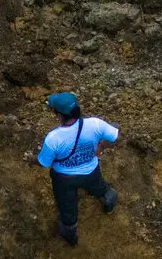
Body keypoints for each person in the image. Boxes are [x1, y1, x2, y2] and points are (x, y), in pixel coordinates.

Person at [35, 92, 119, 247]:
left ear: (59, 115)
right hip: (91, 172)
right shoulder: (95, 124)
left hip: (64, 180)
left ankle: (70, 236)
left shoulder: (53, 138)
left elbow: (44, 163)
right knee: (100, 188)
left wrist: (31, 160)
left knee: (67, 208)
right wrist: (100, 147)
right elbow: (114, 136)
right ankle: (109, 202)